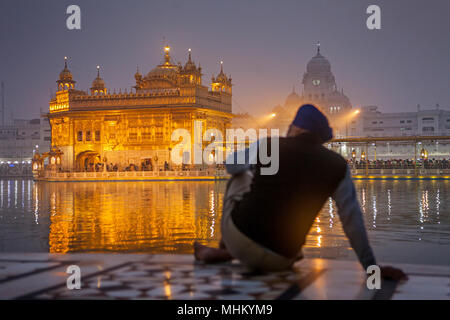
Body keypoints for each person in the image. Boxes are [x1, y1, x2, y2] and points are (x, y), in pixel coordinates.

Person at [194, 104, 407, 281]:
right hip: (283, 258)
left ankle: (225, 248)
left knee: (241, 176)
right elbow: (353, 222)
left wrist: (255, 167)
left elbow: (231, 165)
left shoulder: (270, 145)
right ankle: (236, 250)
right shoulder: (337, 165)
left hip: (240, 243)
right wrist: (372, 269)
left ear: (296, 127)